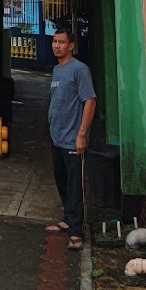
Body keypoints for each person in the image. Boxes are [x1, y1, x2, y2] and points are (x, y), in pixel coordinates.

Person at [46, 28, 96, 251]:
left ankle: (76, 232)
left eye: (62, 42)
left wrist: (82, 134)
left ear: (71, 46)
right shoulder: (57, 69)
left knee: (75, 186)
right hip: (57, 137)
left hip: (73, 139)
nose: (57, 46)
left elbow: (90, 101)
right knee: (61, 180)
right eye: (55, 41)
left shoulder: (80, 70)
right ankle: (67, 219)